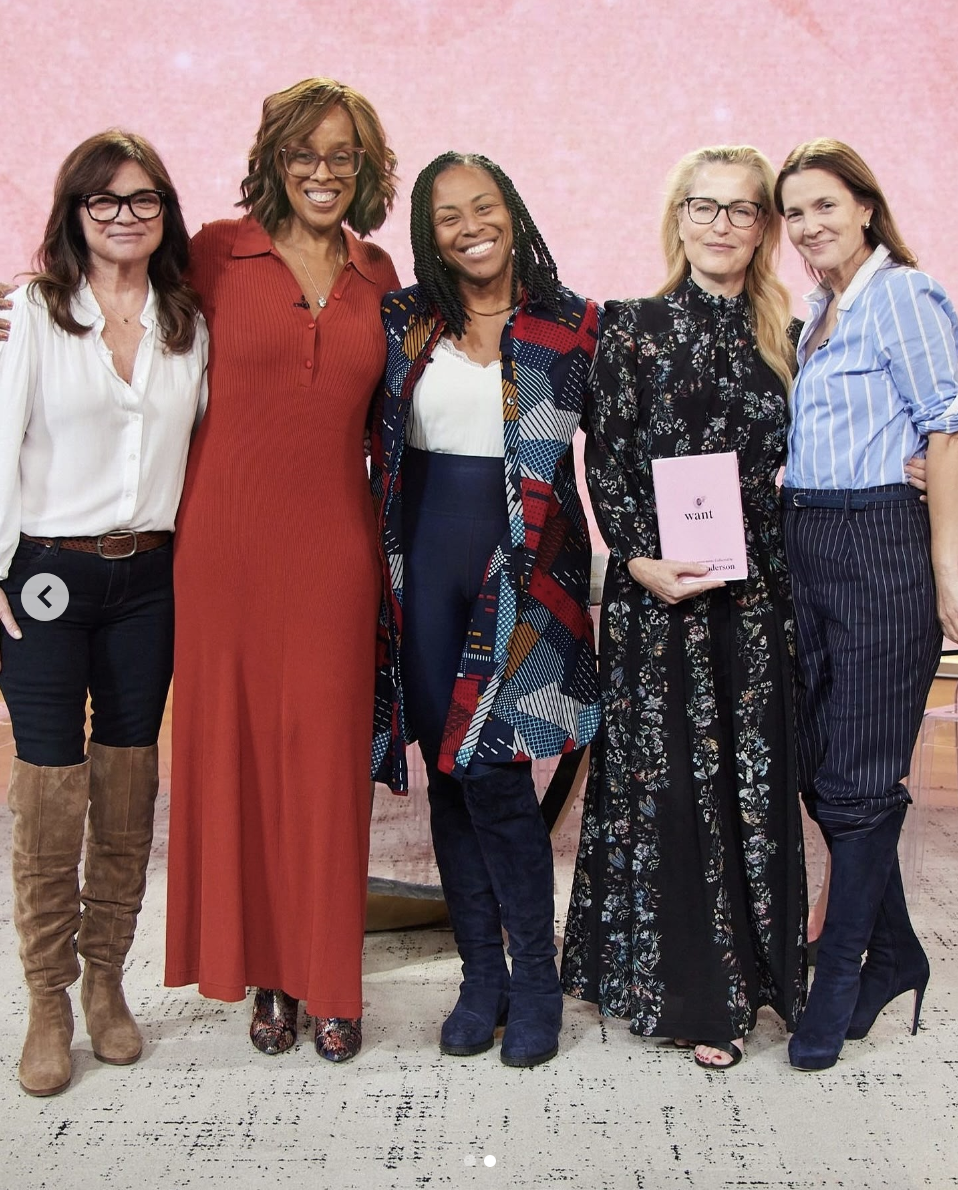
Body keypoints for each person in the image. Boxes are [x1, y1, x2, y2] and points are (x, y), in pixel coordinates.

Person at [163, 79, 399, 1062]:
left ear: (366, 168)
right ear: (272, 158)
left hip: (333, 553)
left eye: (342, 155)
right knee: (242, 758)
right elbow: (112, 296)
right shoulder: (215, 251)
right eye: (304, 152)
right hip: (221, 551)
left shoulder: (380, 271)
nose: (322, 171)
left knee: (328, 764)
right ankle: (266, 970)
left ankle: (327, 975)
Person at [561, 145, 806, 1070]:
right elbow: (605, 456)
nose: (723, 225)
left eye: (744, 210)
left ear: (764, 227)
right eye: (705, 207)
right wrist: (635, 556)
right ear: (679, 219)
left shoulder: (786, 332)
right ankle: (688, 991)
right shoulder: (627, 327)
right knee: (670, 788)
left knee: (748, 784)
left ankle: (751, 980)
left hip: (754, 597)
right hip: (659, 598)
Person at [372, 152, 601, 1067]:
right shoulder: (401, 322)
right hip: (422, 577)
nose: (470, 224)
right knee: (449, 775)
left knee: (497, 778)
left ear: (513, 210)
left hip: (525, 584)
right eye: (447, 214)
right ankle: (480, 979)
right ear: (427, 234)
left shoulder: (572, 327)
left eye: (484, 205)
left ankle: (533, 986)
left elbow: (631, 452)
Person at [0, 131, 207, 1096]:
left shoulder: (186, 321)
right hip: (47, 573)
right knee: (49, 780)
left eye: (144, 199)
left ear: (165, 213)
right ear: (74, 212)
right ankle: (44, 998)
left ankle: (103, 984)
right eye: (105, 200)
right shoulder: (31, 314)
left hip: (151, 582)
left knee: (129, 775)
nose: (125, 215)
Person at [775, 139, 958, 1071]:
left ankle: (839, 971)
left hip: (881, 545)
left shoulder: (904, 295)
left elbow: (947, 423)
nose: (809, 226)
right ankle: (893, 954)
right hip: (809, 542)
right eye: (795, 213)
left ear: (866, 207)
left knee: (856, 783)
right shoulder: (819, 312)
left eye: (825, 206)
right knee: (822, 771)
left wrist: (948, 563)